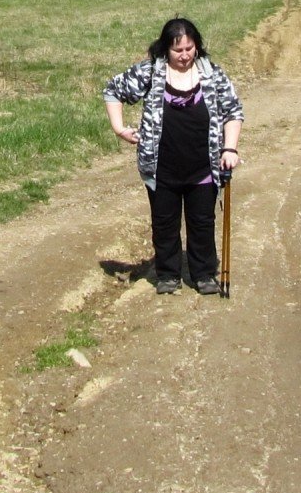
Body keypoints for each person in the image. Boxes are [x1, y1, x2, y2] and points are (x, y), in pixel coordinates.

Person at [103, 17, 244, 294]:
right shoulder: (151, 72)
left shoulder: (212, 74)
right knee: (164, 223)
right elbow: (114, 90)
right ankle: (168, 275)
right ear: (166, 48)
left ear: (197, 47)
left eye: (190, 49)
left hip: (203, 166)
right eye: (178, 50)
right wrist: (119, 129)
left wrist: (230, 148)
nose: (184, 55)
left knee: (202, 222)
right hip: (161, 166)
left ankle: (203, 274)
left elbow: (233, 111)